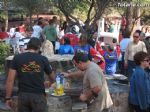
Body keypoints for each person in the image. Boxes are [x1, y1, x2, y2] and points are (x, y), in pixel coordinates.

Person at [5, 38, 55, 112]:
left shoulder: (17, 58)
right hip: (38, 96)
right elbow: (53, 78)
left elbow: (10, 80)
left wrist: (8, 98)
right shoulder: (43, 59)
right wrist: (49, 83)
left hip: (23, 96)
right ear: (39, 47)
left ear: (28, 46)